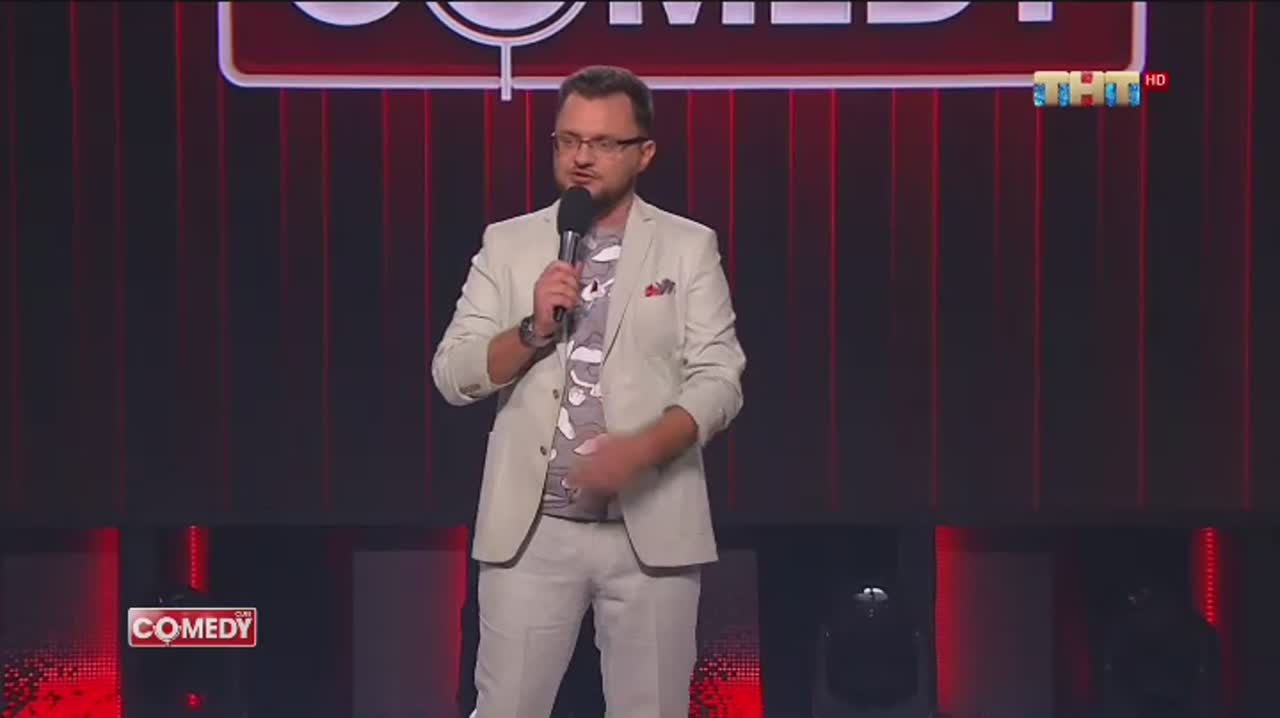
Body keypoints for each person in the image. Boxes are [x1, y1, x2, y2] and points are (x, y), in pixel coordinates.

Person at [431, 65, 746, 718]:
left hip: (649, 529)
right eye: (568, 140)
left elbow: (720, 378)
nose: (581, 157)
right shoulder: (509, 243)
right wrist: (532, 329)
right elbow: (453, 373)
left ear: (644, 153)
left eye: (603, 143)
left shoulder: (688, 247)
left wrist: (642, 450)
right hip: (531, 533)